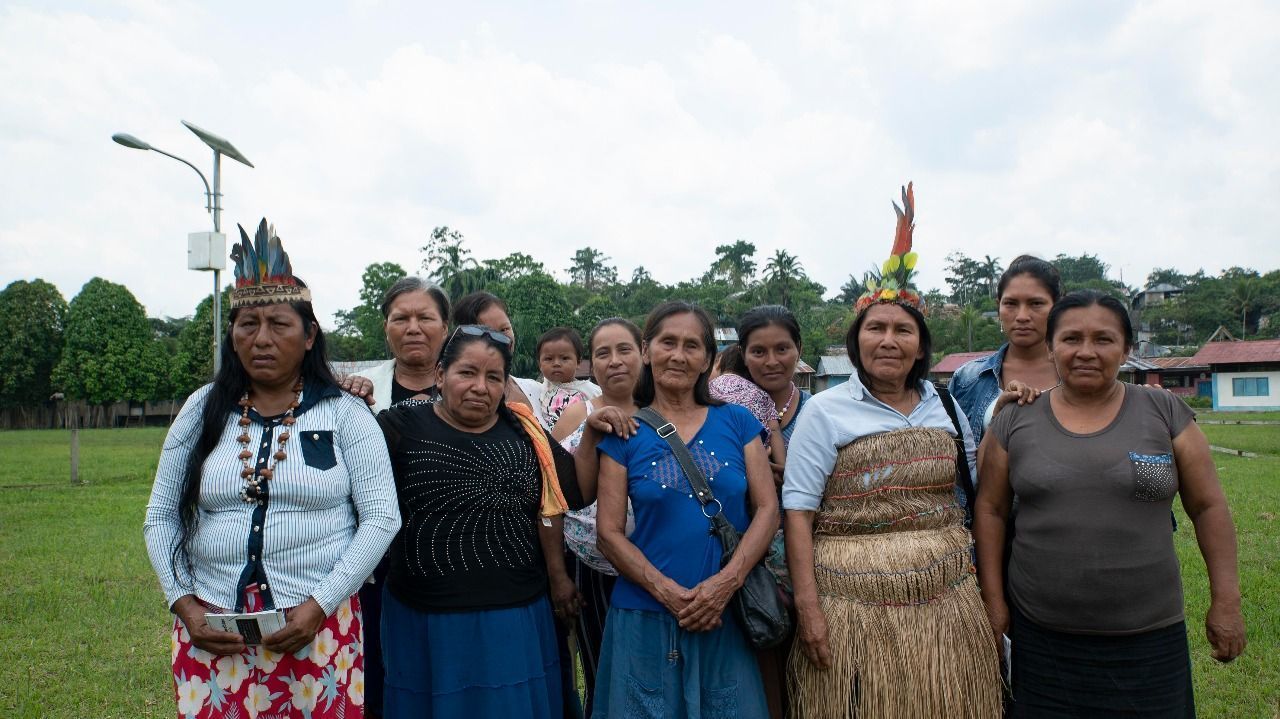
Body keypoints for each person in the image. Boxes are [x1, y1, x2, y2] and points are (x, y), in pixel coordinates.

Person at [144, 219, 401, 719]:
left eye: (279, 325)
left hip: (315, 628)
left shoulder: (346, 413)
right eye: (248, 325)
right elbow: (160, 516)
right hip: (212, 630)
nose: (262, 338)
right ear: (233, 336)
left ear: (309, 337)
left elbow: (381, 519)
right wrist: (184, 604)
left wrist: (319, 605)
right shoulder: (201, 410)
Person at [783, 184, 1002, 718]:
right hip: (848, 606)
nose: (888, 340)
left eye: (902, 330)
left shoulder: (945, 408)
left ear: (922, 345)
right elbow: (798, 510)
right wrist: (808, 607)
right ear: (856, 342)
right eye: (875, 328)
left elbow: (978, 492)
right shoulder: (826, 411)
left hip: (947, 598)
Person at [975, 290, 1246, 717]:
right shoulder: (1016, 418)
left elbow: (1208, 506)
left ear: (1126, 350)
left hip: (1150, 639)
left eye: (1103, 339)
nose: (1086, 352)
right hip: (1043, 640)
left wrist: (1226, 601)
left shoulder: (1163, 412)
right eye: (1071, 339)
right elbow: (989, 511)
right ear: (1051, 347)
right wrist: (994, 603)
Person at [376, 324, 587, 718]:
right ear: (441, 375)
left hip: (515, 615)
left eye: (494, 377)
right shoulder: (399, 427)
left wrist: (594, 431)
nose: (480, 387)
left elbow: (572, 493)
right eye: (466, 373)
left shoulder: (524, 430)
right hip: (427, 619)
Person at [592, 301, 777, 718]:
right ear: (646, 350)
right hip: (645, 616)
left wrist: (725, 584)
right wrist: (668, 594)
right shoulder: (626, 432)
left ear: (708, 359)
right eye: (667, 342)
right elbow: (609, 533)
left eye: (692, 346)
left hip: (725, 614)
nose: (678, 355)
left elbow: (767, 509)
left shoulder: (737, 421)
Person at [451, 291, 585, 716]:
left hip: (532, 554)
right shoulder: (450, 403)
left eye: (507, 328)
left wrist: (557, 571)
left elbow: (552, 483)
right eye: (491, 330)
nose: (503, 337)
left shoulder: (523, 393)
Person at [549, 318, 643, 716]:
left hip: (656, 569)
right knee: (600, 669)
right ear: (591, 364)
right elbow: (548, 497)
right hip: (589, 568)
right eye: (603, 353)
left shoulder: (664, 413)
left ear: (644, 352)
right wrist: (558, 574)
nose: (615, 361)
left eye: (625, 350)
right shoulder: (576, 413)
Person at [732, 304, 810, 718]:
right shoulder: (727, 413)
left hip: (817, 566)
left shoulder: (822, 411)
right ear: (742, 354)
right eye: (758, 351)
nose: (772, 361)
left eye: (782, 348)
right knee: (765, 681)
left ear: (799, 349)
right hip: (752, 571)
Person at [949, 255, 1062, 445]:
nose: (1022, 316)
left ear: (1057, 307)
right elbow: (953, 456)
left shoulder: (1079, 374)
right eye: (1011, 303)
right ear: (998, 306)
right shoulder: (968, 378)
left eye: (1036, 303)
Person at [351, 277, 451, 410]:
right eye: (401, 319)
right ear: (386, 328)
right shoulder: (356, 389)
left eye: (425, 318)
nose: (413, 329)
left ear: (444, 329)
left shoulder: (470, 389)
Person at [709, 344, 787, 472]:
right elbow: (774, 429)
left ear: (719, 364)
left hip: (715, 455)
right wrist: (782, 468)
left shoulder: (708, 389)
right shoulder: (761, 394)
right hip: (754, 456)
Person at [537, 326, 602, 427]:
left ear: (579, 362)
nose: (556, 363)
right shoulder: (537, 389)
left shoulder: (590, 390)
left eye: (564, 358)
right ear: (540, 364)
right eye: (549, 359)